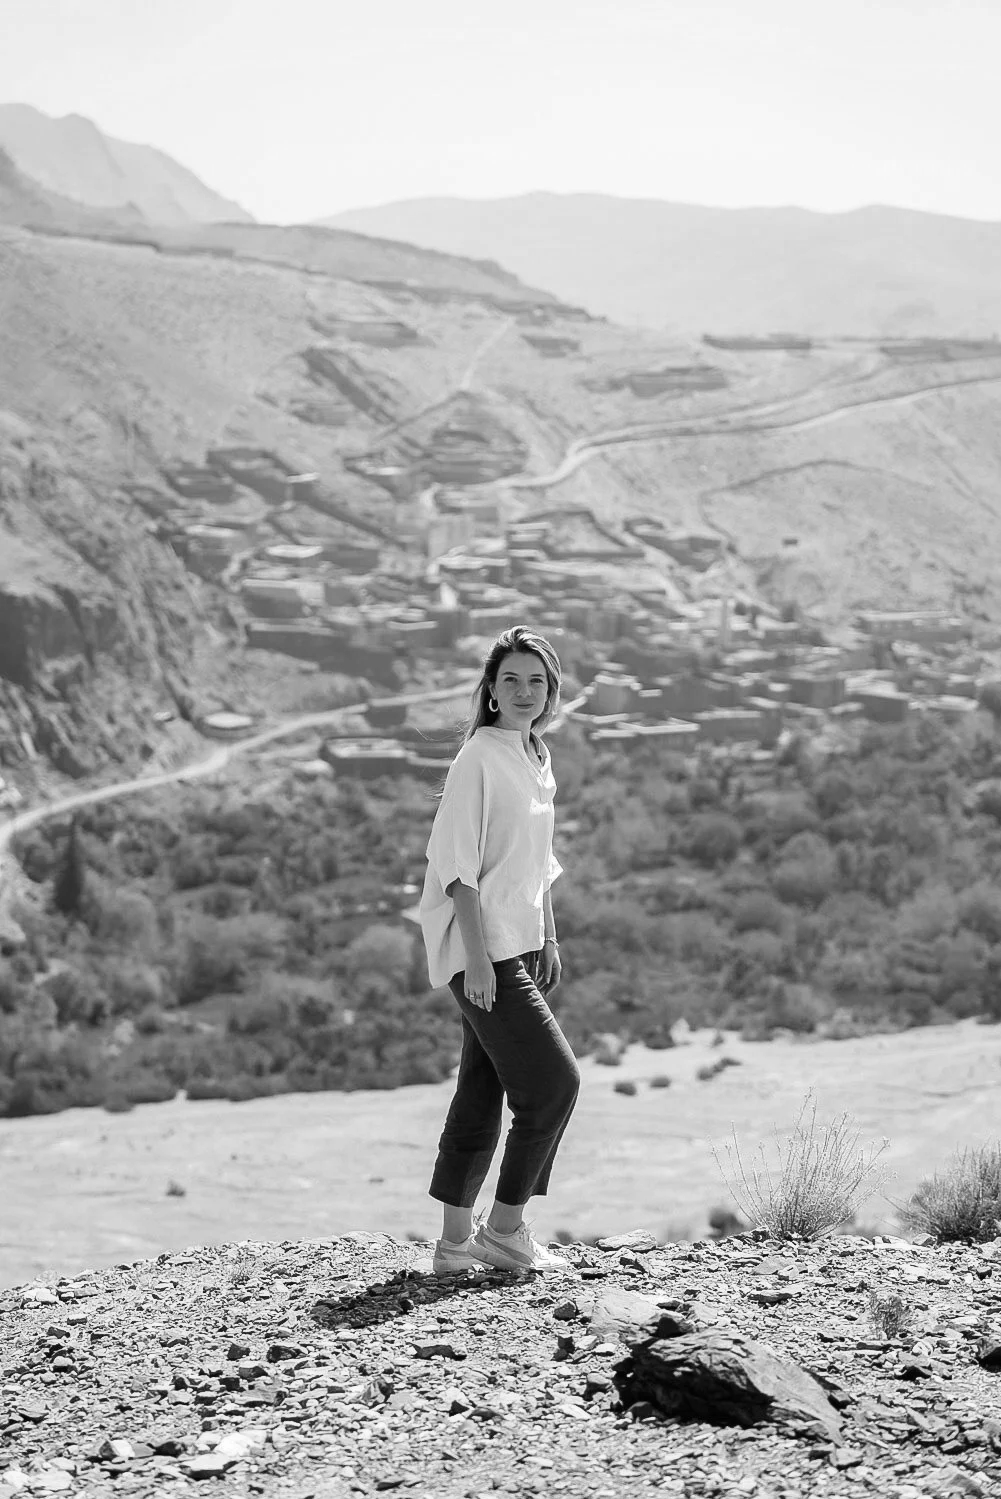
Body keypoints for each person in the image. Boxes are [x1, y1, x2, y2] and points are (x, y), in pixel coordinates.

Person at [419, 624, 580, 1274]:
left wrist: (548, 931)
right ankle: (505, 1229)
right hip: (482, 949)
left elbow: (535, 860)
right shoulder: (478, 759)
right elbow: (456, 868)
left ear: (549, 693)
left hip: (519, 942)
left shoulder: (535, 756)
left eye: (534, 681)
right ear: (489, 690)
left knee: (482, 1090)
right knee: (554, 1085)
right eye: (509, 679)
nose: (522, 690)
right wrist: (479, 958)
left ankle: (454, 1243)